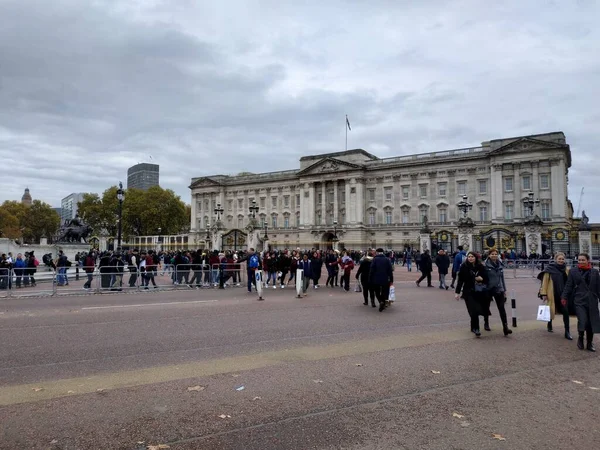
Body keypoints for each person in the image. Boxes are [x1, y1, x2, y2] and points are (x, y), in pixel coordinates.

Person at [560, 253, 600, 352]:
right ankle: (581, 338)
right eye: (579, 260)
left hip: (592, 300)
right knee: (583, 320)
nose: (581, 262)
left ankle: (590, 343)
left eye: (583, 260)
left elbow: (598, 287)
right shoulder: (573, 272)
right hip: (579, 300)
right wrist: (564, 297)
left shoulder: (595, 272)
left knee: (591, 322)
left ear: (588, 261)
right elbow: (568, 285)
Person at [455, 252, 489, 337]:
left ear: (476, 258)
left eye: (472, 257)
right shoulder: (464, 266)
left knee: (476, 310)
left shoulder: (481, 267)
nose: (470, 258)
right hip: (468, 291)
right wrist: (457, 292)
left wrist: (482, 279)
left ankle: (473, 326)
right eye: (469, 257)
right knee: (472, 310)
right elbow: (460, 280)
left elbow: (487, 279)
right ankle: (476, 328)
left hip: (478, 291)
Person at [538, 252, 572, 340]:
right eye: (559, 259)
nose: (561, 260)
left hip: (563, 295)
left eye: (562, 259)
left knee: (566, 312)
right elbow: (545, 282)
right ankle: (549, 324)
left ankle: (567, 331)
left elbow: (570, 282)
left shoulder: (566, 269)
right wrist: (544, 293)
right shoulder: (549, 269)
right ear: (555, 259)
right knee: (551, 311)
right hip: (552, 293)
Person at [484, 248, 513, 336]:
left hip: (498, 289)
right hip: (488, 289)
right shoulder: (485, 265)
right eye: (492, 254)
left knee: (502, 309)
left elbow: (502, 278)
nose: (494, 255)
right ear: (489, 255)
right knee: (486, 307)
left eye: (495, 254)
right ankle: (486, 323)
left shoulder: (500, 264)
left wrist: (504, 289)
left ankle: (505, 327)